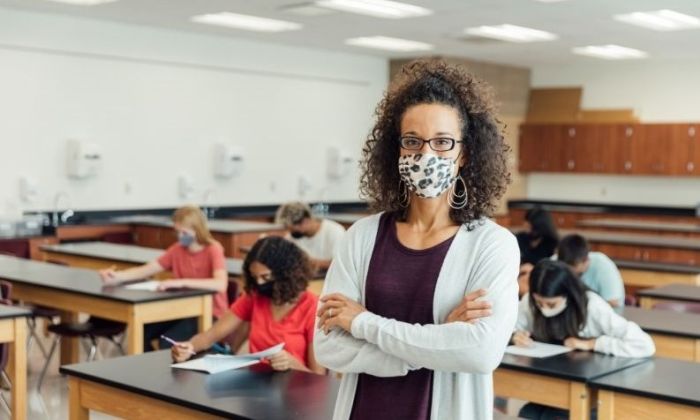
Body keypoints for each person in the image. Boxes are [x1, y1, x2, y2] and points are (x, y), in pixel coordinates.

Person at [313, 60, 520, 420]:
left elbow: (480, 353)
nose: (426, 155)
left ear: (464, 153)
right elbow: (328, 347)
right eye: (413, 141)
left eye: (442, 142)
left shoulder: (492, 244)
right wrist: (439, 339)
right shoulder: (361, 237)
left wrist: (362, 324)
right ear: (397, 151)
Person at [512, 259, 654, 419]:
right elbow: (510, 325)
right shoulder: (530, 302)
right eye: (539, 303)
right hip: (549, 385)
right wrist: (515, 335)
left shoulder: (592, 306)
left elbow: (644, 344)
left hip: (587, 389)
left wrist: (592, 344)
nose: (544, 309)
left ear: (568, 295)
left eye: (551, 305)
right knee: (528, 413)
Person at [171, 236, 326, 375]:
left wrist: (292, 363)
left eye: (265, 277)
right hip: (258, 385)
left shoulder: (312, 307)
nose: (259, 283)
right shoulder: (255, 297)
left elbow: (319, 378)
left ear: (286, 274)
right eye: (255, 277)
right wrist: (188, 347)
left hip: (296, 393)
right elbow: (209, 336)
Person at [99, 205, 228, 351]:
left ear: (197, 229)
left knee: (169, 342)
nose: (180, 236)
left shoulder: (213, 249)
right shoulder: (177, 249)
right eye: (177, 232)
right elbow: (149, 269)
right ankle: (150, 369)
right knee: (142, 331)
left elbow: (220, 284)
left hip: (209, 313)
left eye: (184, 232)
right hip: (183, 310)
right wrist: (117, 277)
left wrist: (180, 282)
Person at [557, 234, 625, 308]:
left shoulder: (602, 265)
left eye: (574, 266)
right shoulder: (556, 263)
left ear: (586, 260)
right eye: (566, 267)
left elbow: (613, 302)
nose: (570, 270)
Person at [275, 201, 346, 271]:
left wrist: (308, 262)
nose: (290, 232)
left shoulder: (335, 231)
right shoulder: (291, 237)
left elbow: (341, 264)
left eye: (292, 228)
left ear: (305, 221)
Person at [516, 207, 559, 295]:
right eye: (526, 224)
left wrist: (533, 268)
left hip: (541, 280)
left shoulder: (552, 243)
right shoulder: (520, 238)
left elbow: (553, 266)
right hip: (520, 277)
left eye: (530, 227)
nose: (526, 228)